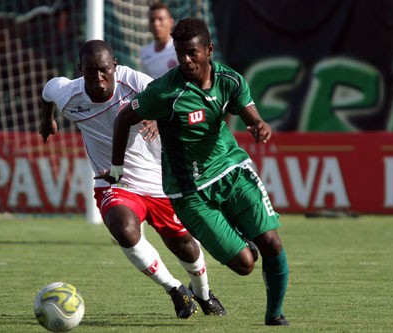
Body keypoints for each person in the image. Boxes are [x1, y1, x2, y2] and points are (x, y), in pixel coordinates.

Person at [101, 18, 290, 326]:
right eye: (180, 53)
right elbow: (124, 118)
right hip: (189, 192)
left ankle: (275, 315)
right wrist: (117, 167)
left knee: (272, 242)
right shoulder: (164, 90)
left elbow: (247, 109)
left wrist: (258, 124)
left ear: (209, 50)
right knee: (245, 265)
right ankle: (236, 241)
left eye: (192, 53)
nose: (185, 60)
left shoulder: (230, 79)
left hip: (232, 171)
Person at [39, 39, 225, 318]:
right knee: (123, 227)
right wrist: (47, 120)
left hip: (160, 180)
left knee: (183, 243)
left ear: (115, 66)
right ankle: (175, 289)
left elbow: (176, 99)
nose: (98, 79)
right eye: (90, 71)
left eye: (104, 70)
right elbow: (47, 92)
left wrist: (157, 115)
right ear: (80, 69)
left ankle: (203, 292)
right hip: (114, 181)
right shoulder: (68, 94)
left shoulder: (136, 82)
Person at [139, 2, 178, 79]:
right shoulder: (144, 52)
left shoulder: (178, 48)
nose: (156, 24)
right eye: (152, 20)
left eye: (160, 19)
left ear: (171, 22)